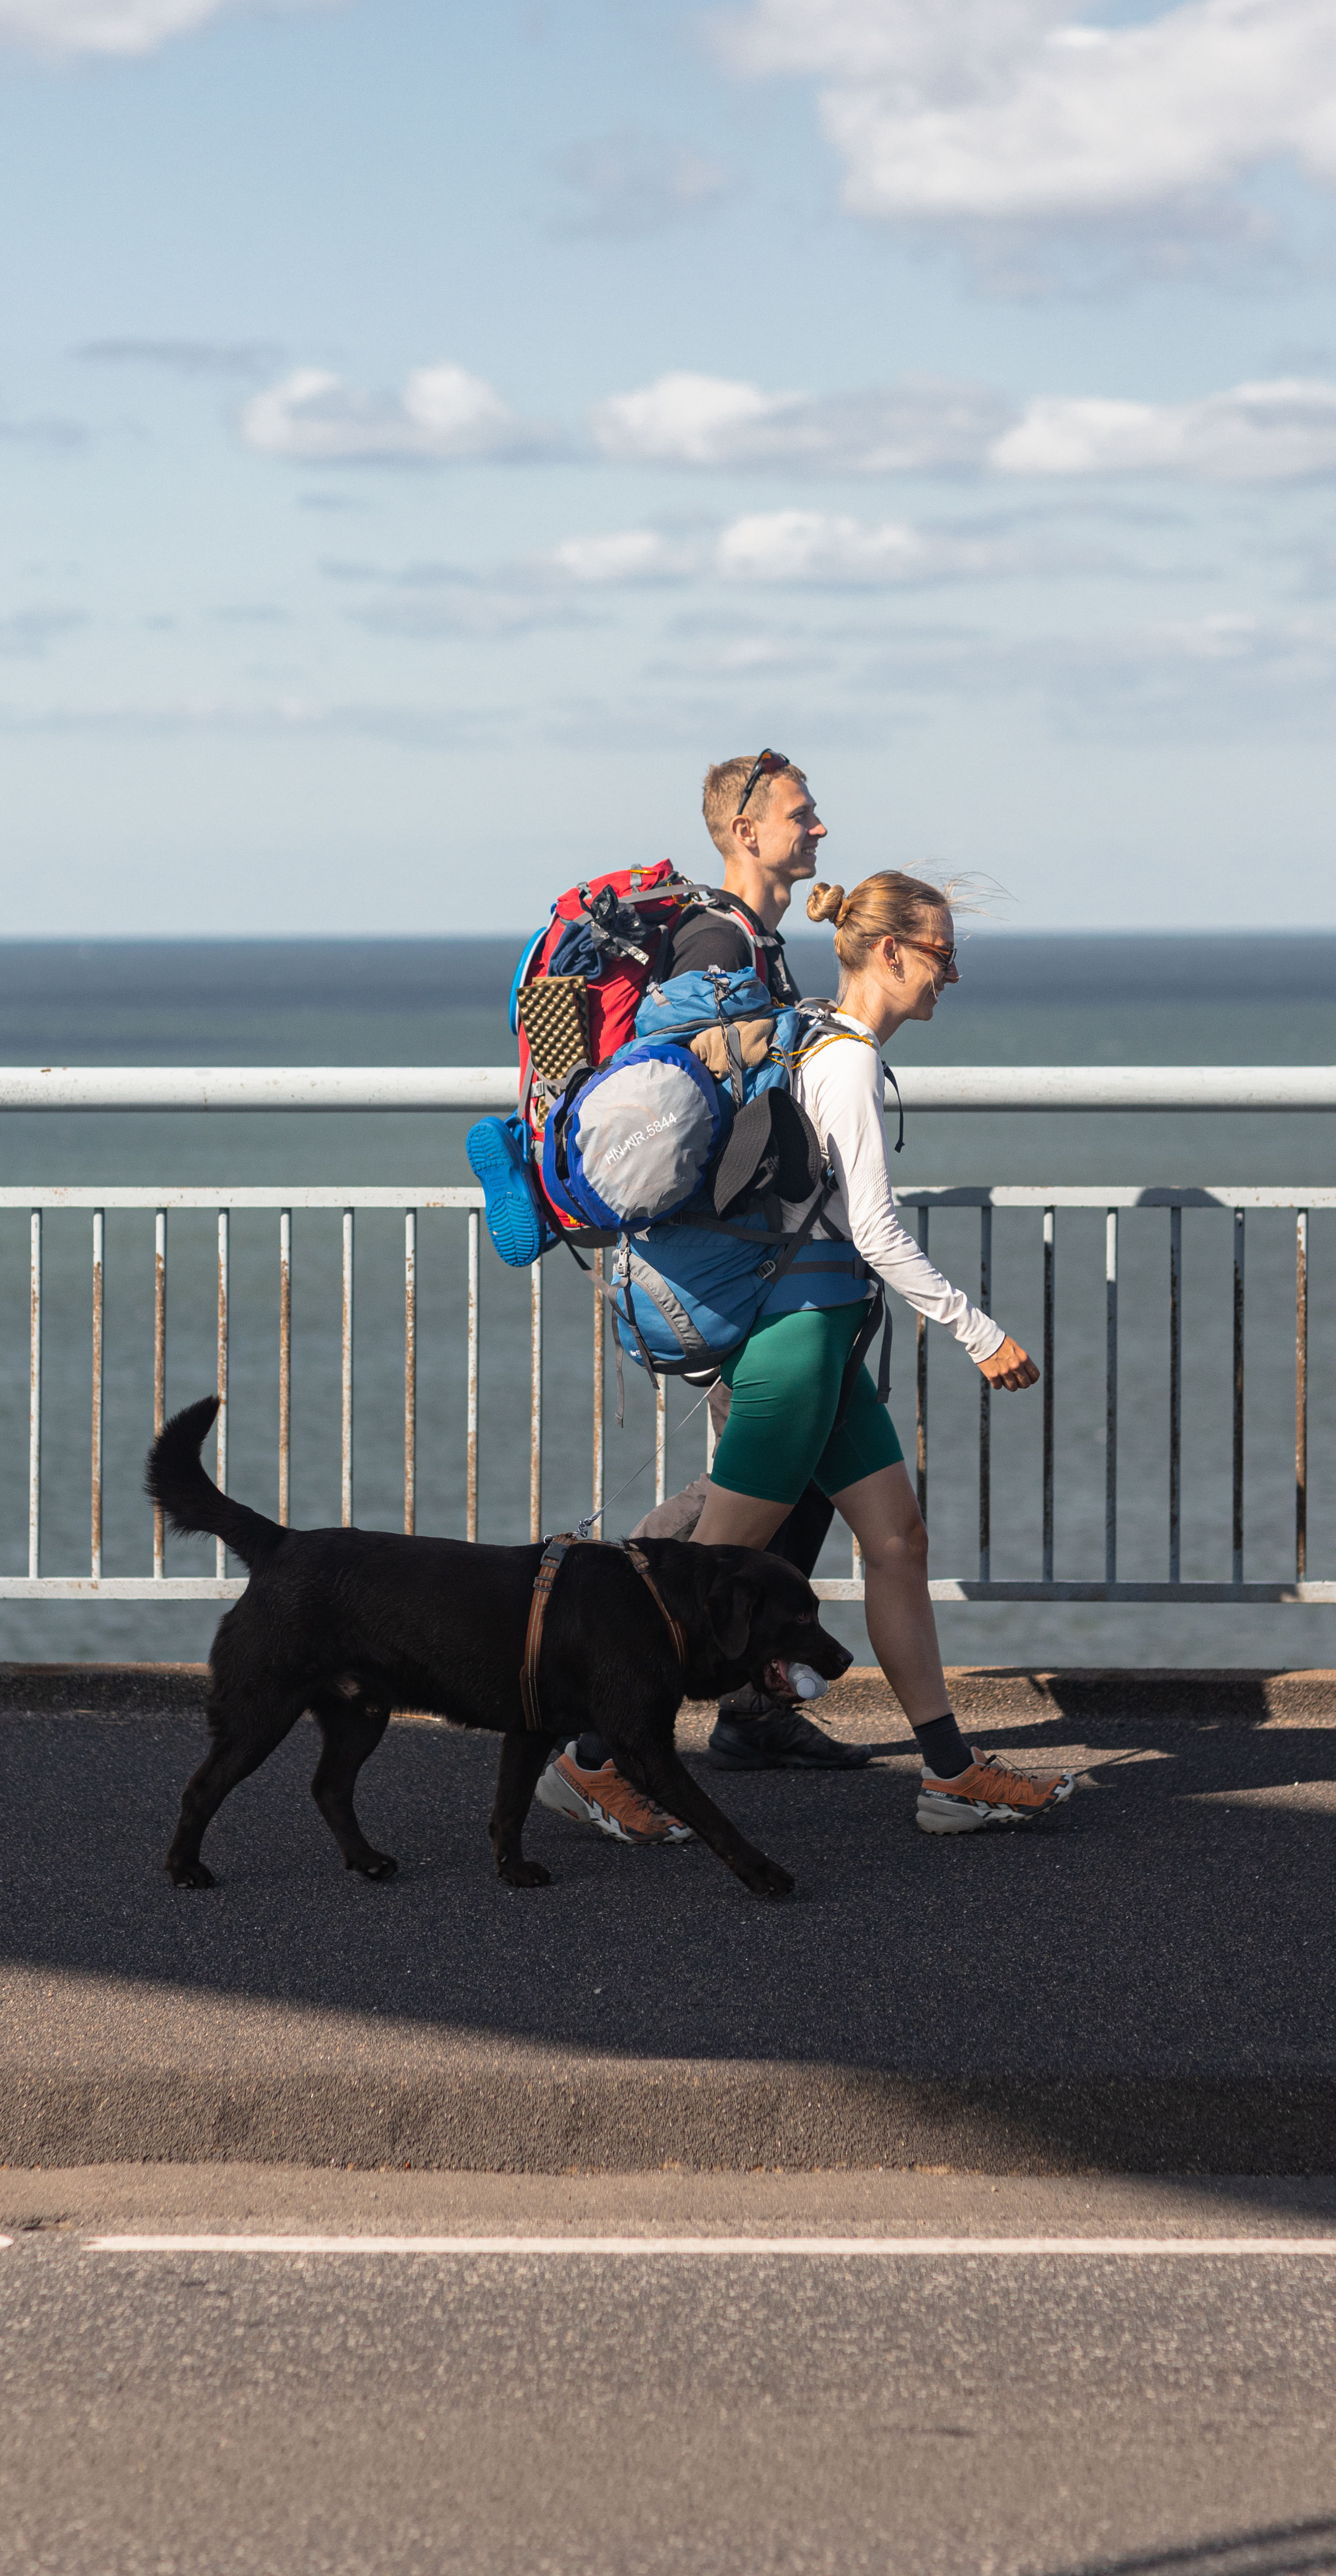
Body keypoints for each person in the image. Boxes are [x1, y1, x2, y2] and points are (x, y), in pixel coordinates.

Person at [687, 867, 1075, 1834]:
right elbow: (876, 1231)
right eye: (943, 954)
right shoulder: (849, 1059)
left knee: (898, 1543)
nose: (952, 976)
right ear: (893, 950)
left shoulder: (817, 1031)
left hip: (818, 1340)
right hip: (795, 1345)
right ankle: (589, 1754)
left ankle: (948, 1774)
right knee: (703, 1576)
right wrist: (978, 1333)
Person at [534, 753, 872, 1853]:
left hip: (757, 1259)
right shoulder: (718, 942)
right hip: (731, 1269)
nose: (817, 824)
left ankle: (752, 1707)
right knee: (742, 1508)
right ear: (742, 826)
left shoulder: (750, 940)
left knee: (791, 1486)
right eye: (797, 811)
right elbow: (665, 1114)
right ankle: (598, 1705)